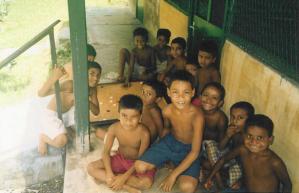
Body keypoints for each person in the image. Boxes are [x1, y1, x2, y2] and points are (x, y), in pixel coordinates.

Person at [135, 70, 204, 193]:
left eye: (186, 92)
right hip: (171, 142)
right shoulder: (166, 111)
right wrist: (160, 149)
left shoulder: (197, 116)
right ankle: (173, 162)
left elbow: (195, 151)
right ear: (168, 92)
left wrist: (173, 176)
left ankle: (181, 167)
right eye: (175, 92)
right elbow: (167, 128)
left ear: (193, 92)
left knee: (187, 188)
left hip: (190, 149)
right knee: (139, 167)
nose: (180, 97)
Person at [204, 114, 292, 193]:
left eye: (259, 138)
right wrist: (209, 178)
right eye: (249, 136)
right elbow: (223, 159)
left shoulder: (274, 162)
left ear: (270, 140)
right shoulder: (243, 150)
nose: (253, 142)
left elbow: (287, 185)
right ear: (244, 135)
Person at [87, 95, 155, 193]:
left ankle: (109, 179)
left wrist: (123, 177)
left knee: (146, 183)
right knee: (91, 168)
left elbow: (141, 160)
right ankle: (126, 187)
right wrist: (109, 172)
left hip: (136, 164)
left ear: (140, 116)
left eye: (134, 117)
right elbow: (106, 152)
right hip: (120, 158)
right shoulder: (114, 128)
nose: (128, 121)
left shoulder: (144, 133)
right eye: (124, 115)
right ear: (118, 114)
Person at [37, 61, 101, 155]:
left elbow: (96, 111)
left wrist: (85, 100)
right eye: (92, 74)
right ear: (83, 74)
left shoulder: (92, 89)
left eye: (98, 75)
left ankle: (68, 129)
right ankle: (43, 137)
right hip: (52, 114)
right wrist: (54, 77)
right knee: (61, 141)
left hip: (67, 114)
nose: (96, 78)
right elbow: (41, 93)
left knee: (83, 140)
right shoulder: (70, 84)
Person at [95, 79, 165, 148]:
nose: (144, 95)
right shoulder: (145, 105)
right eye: (143, 92)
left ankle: (117, 146)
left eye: (149, 94)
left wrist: (159, 146)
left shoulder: (154, 111)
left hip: (143, 141)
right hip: (139, 135)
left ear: (158, 99)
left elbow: (161, 130)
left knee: (99, 132)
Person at [204, 101, 255, 190]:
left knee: (236, 183)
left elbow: (251, 167)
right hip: (227, 159)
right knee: (210, 145)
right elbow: (220, 148)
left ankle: (219, 175)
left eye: (240, 118)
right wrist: (227, 136)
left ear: (249, 120)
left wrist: (241, 181)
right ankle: (219, 179)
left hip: (241, 167)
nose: (235, 121)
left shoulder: (249, 138)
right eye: (232, 117)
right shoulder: (232, 130)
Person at [199, 82, 228, 188]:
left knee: (209, 144)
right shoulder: (196, 111)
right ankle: (209, 171)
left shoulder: (221, 118)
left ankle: (219, 180)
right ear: (200, 96)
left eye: (214, 98)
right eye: (205, 95)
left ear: (220, 103)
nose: (208, 100)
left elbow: (221, 145)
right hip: (199, 148)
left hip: (215, 150)